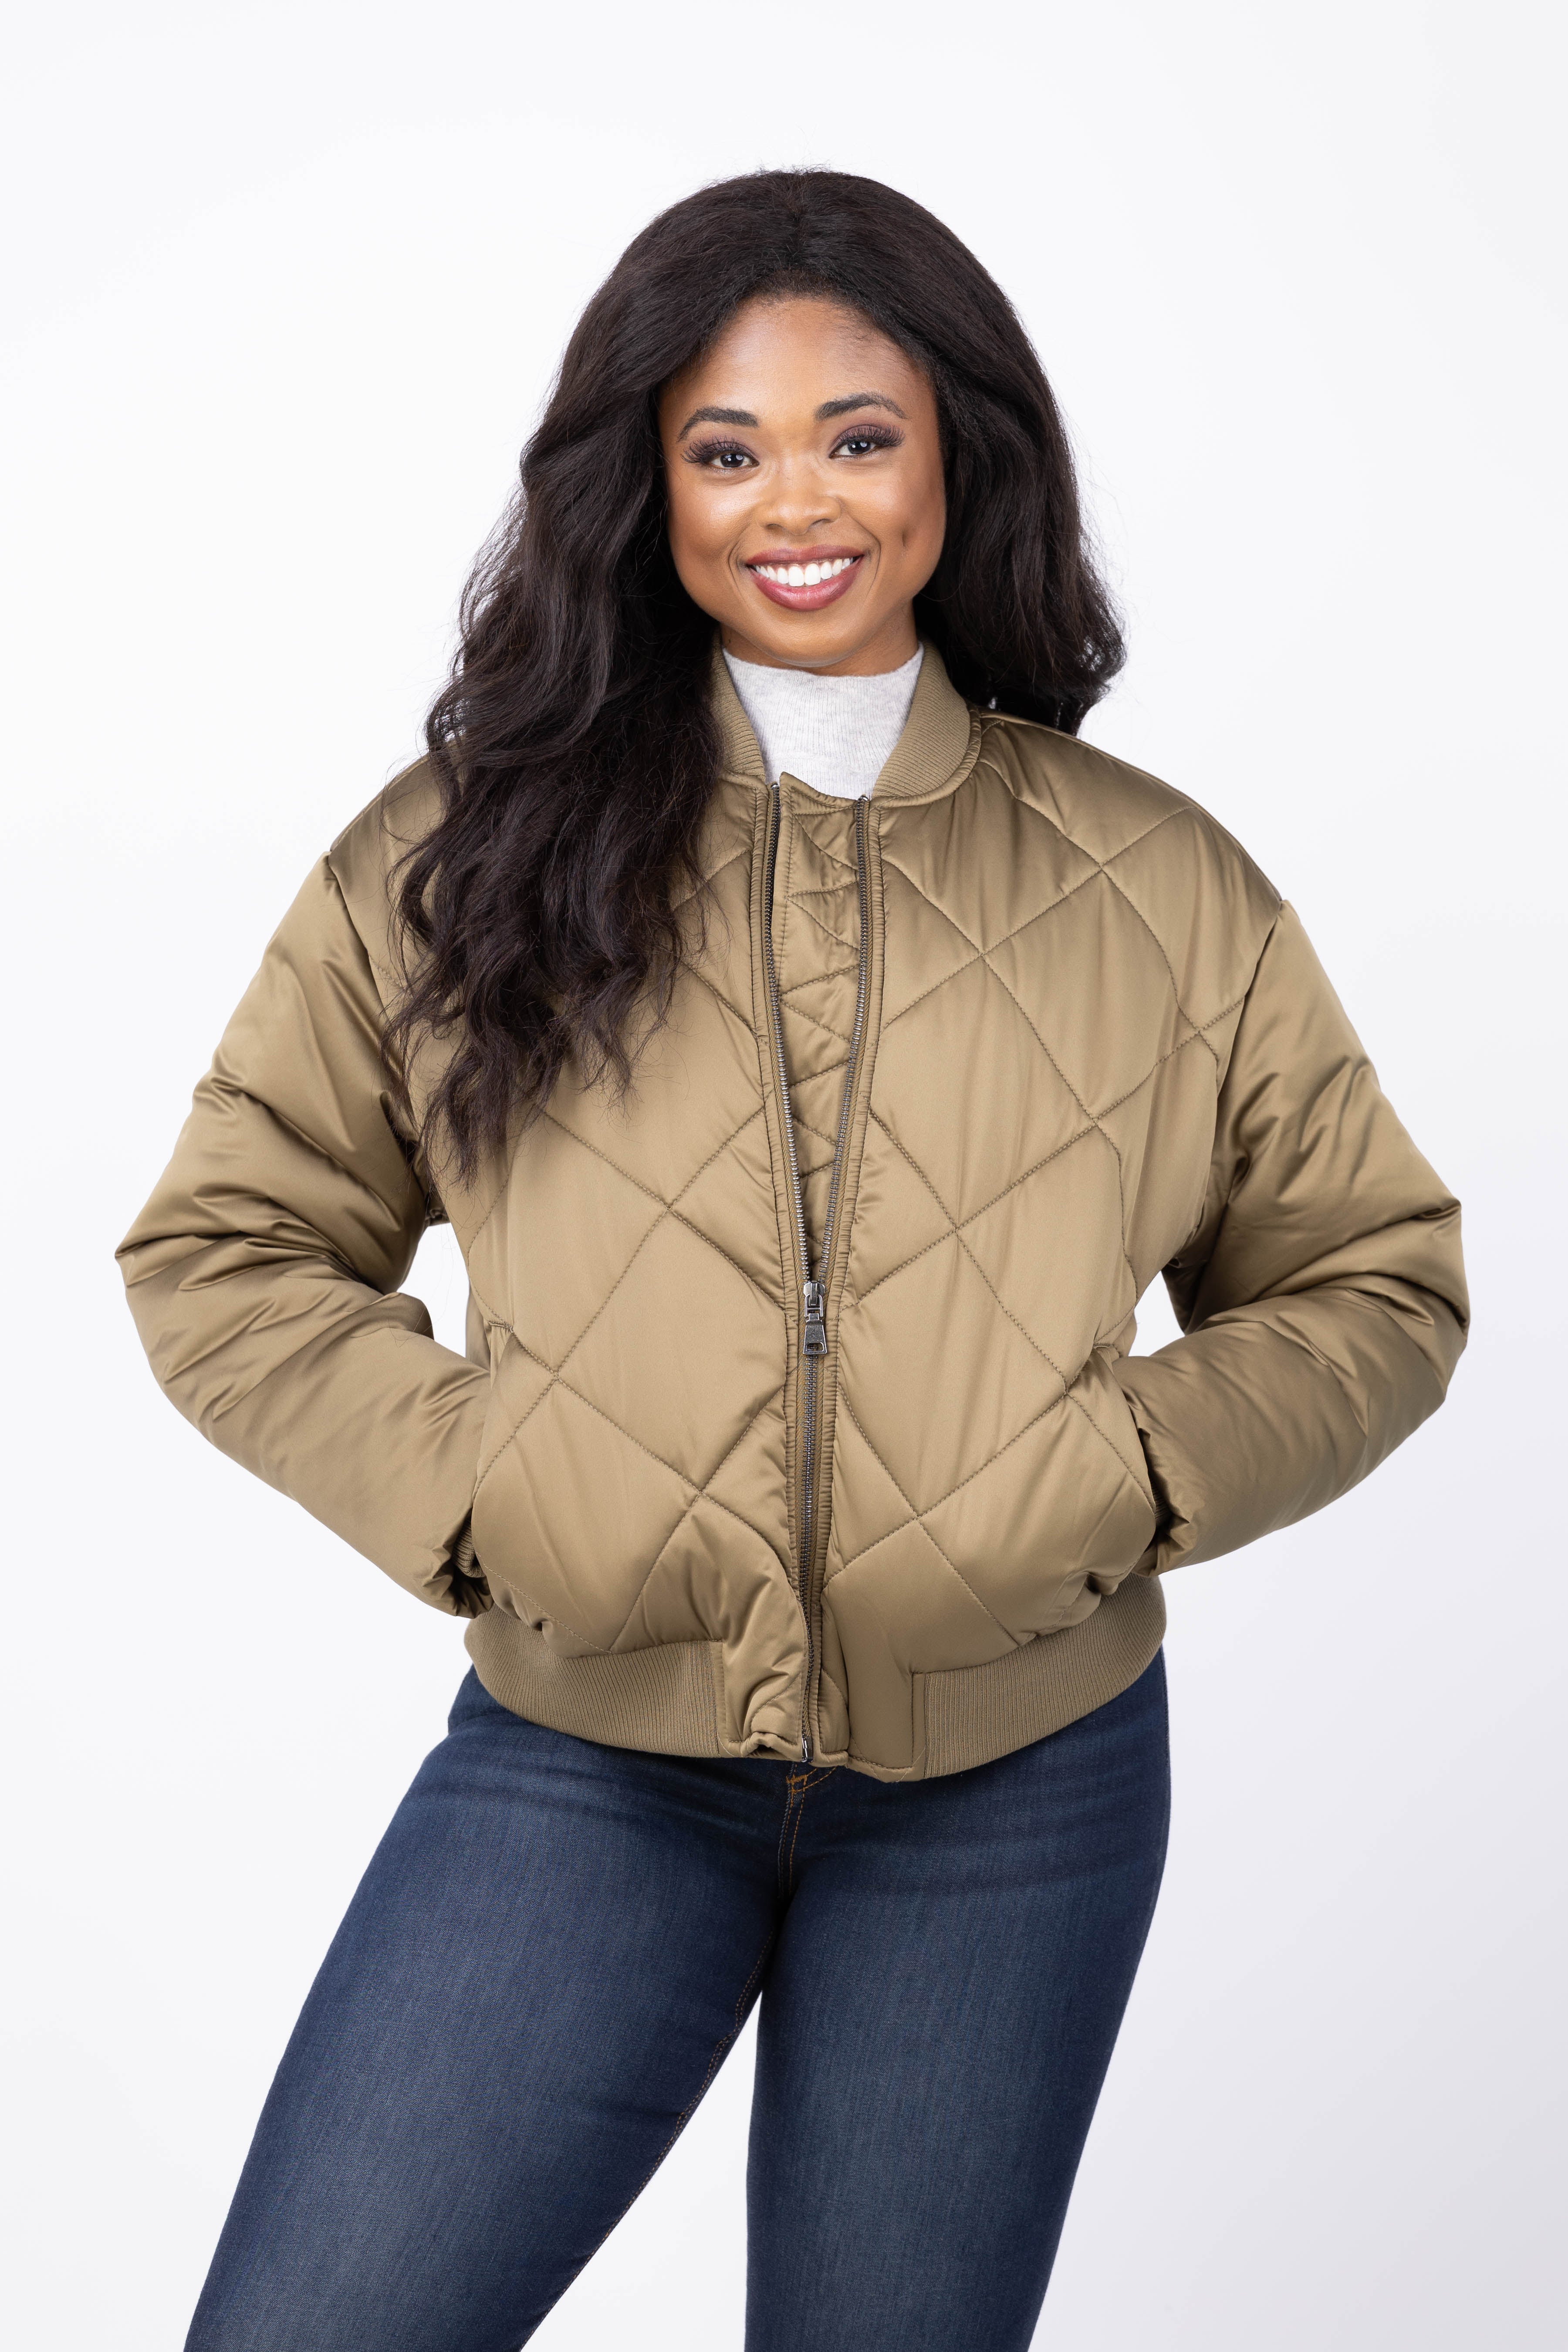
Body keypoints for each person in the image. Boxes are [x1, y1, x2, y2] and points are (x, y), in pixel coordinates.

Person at [118, 169, 1468, 2352]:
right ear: (645, 486)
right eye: (724, 450)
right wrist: (492, 1487)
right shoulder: (459, 856)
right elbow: (230, 1242)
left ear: (958, 462)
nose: (795, 504)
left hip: (1021, 1794)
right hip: (584, 1757)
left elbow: (1375, 1278)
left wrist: (1113, 1476)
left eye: (857, 436)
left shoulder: (1157, 888)